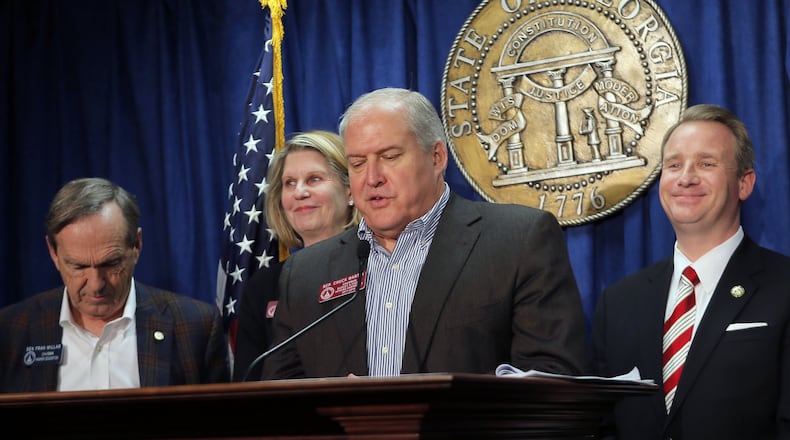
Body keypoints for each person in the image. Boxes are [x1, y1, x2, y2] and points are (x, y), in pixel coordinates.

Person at [260, 87, 586, 380]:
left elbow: (550, 378)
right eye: (357, 163)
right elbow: (280, 397)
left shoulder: (517, 241)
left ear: (436, 157)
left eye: (389, 157)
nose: (372, 177)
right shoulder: (305, 273)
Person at [590, 104, 790, 439]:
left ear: (744, 183)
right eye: (674, 165)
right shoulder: (619, 302)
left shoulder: (784, 286)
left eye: (706, 163)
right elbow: (602, 425)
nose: (686, 178)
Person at [0, 177, 229, 392]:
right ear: (53, 253)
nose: (96, 284)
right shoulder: (11, 331)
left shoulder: (195, 327)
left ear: (136, 246)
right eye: (79, 267)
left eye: (111, 263)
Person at [233, 130, 360, 381]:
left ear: (350, 191)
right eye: (289, 183)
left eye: (314, 179)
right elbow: (248, 382)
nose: (299, 192)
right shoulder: (264, 285)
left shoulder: (379, 264)